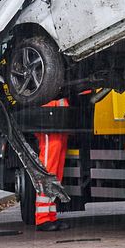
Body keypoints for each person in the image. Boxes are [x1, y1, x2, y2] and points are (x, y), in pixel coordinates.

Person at [34, 97, 70, 232]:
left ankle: (50, 216)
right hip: (48, 118)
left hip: (57, 119)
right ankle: (42, 218)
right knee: (47, 172)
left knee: (55, 175)